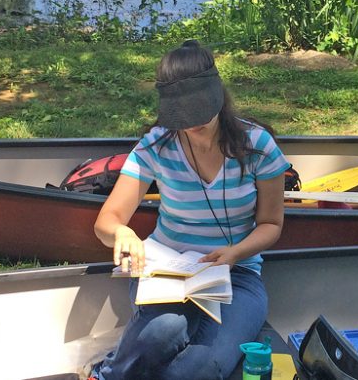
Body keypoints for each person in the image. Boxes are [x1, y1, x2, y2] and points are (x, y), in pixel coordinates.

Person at [90, 40, 289, 380]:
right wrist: (122, 233)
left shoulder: (258, 146)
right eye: (183, 114)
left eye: (200, 109)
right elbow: (106, 221)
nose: (194, 122)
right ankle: (108, 373)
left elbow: (271, 223)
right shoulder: (157, 145)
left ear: (218, 94)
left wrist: (236, 252)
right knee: (161, 332)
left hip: (237, 274)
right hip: (167, 271)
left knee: (201, 368)